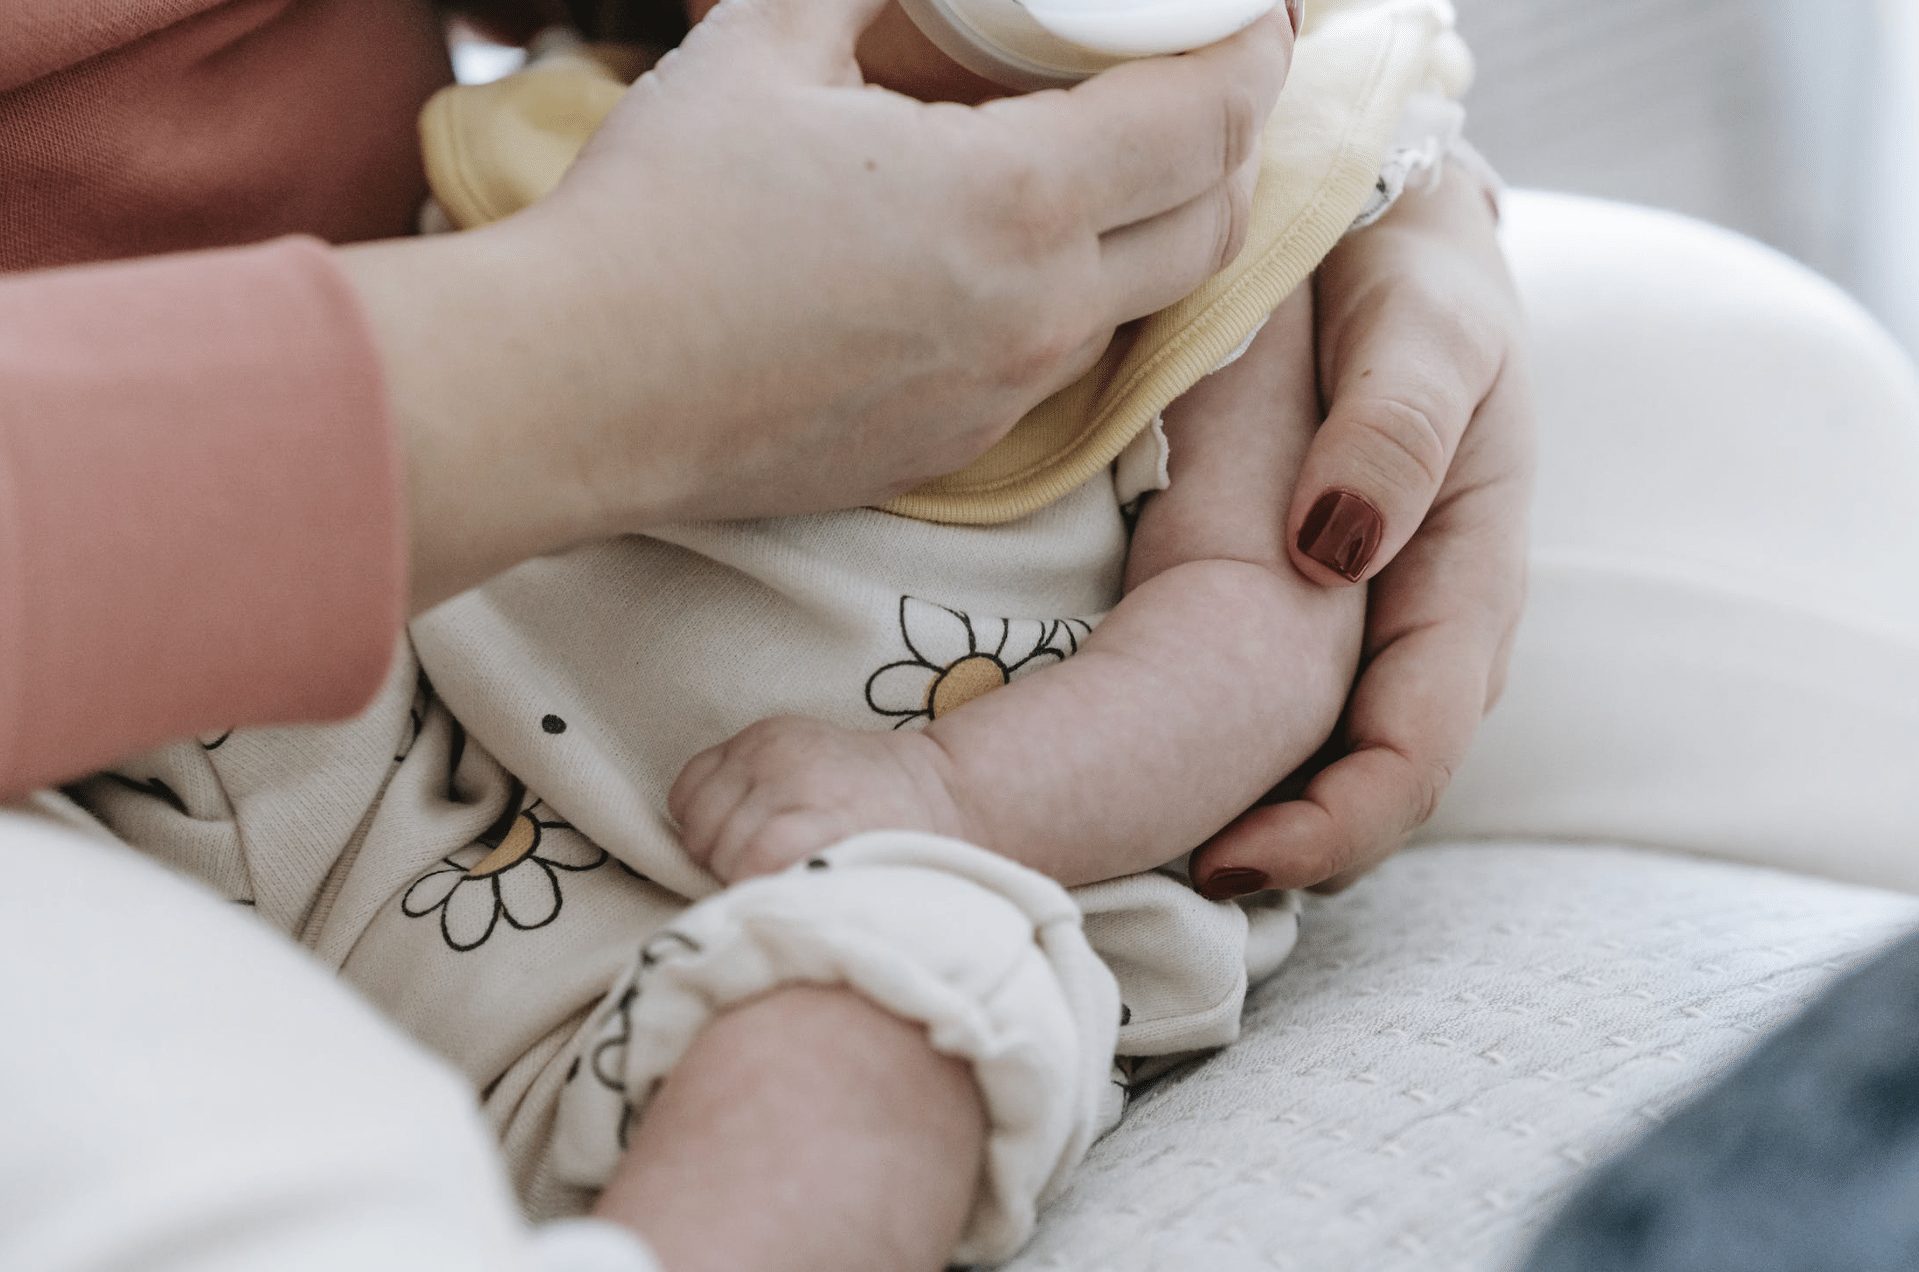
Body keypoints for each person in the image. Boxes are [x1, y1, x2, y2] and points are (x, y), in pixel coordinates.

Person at [0, 0, 1534, 1267]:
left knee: (898, 1012)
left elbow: (1249, 651)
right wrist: (604, 339)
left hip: (808, 859)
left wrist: (947, 801)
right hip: (221, 685)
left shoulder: (1248, 191)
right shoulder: (593, 121)